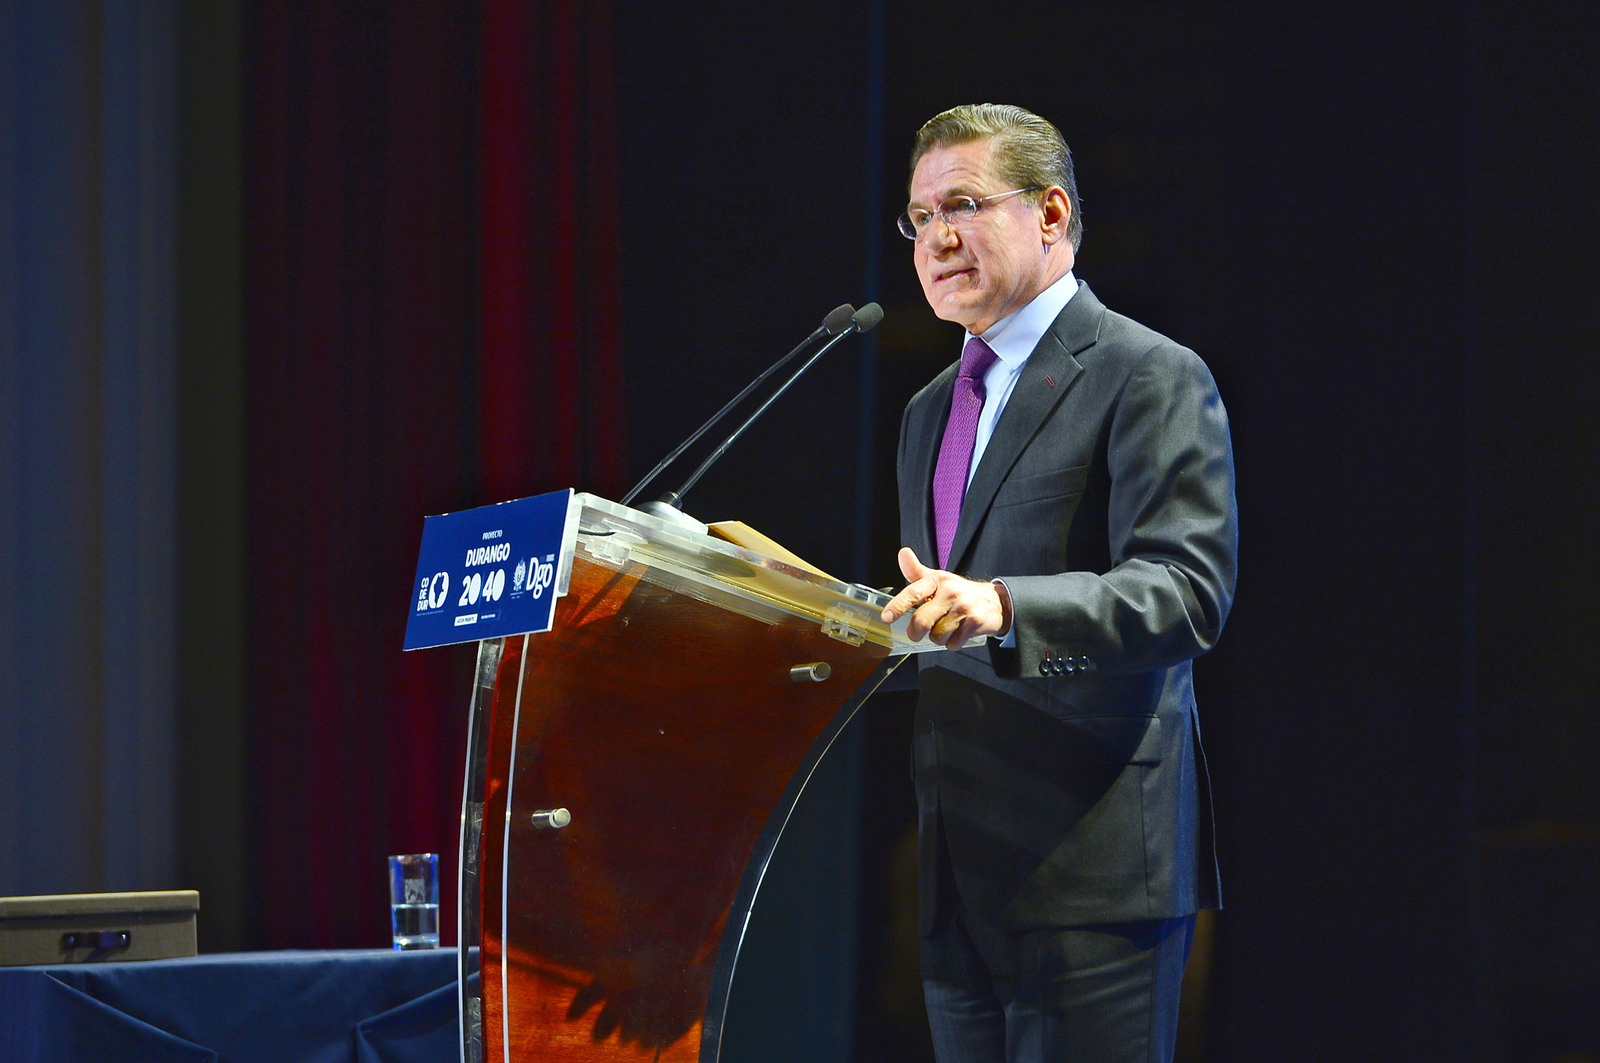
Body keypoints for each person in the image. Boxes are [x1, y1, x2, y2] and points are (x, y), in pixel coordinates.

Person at [879, 103, 1238, 1062]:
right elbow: (942, 623)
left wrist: (1003, 604)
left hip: (1091, 869)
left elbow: (1184, 591)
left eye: (964, 204)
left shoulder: (1147, 372)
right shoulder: (928, 410)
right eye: (920, 217)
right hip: (957, 870)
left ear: (1050, 213)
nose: (936, 238)